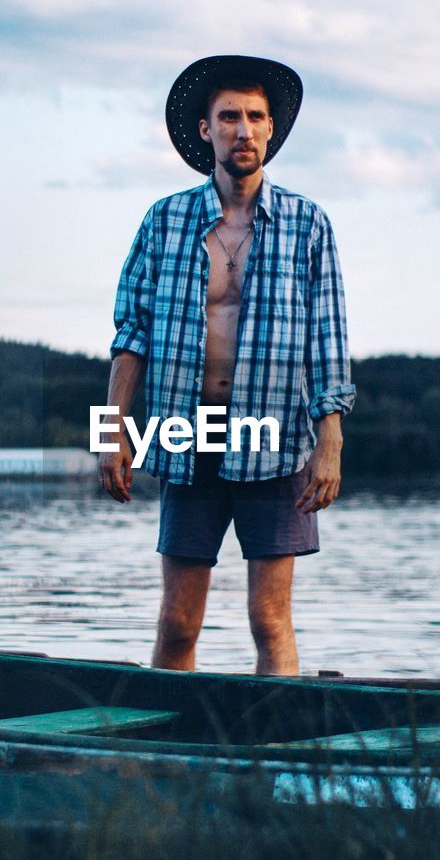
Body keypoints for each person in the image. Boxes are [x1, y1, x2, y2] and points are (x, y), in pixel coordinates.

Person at [99, 54, 355, 675]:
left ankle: (276, 760)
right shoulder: (164, 221)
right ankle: (163, 761)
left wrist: (332, 440)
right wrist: (110, 434)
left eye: (256, 117)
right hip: (187, 434)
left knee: (270, 622)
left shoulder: (307, 224)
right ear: (205, 130)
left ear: (271, 131)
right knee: (177, 622)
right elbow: (130, 335)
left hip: (276, 439)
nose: (244, 130)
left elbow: (329, 339)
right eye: (229, 117)